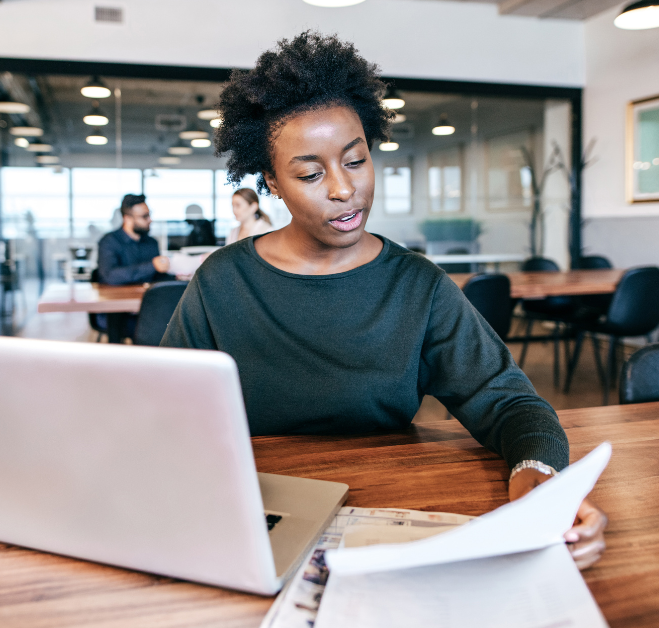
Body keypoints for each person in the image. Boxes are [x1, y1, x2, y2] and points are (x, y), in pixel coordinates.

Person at [161, 32, 606, 569]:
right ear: (272, 183)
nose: (344, 189)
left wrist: (541, 484)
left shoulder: (417, 285)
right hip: (255, 514)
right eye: (309, 173)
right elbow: (168, 415)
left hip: (389, 509)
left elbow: (508, 402)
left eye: (356, 160)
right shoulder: (222, 283)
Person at [95, 194, 172, 341]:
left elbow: (156, 276)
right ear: (128, 218)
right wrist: (152, 266)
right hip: (117, 311)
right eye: (145, 216)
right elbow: (110, 276)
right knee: (117, 315)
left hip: (147, 306)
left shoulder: (151, 243)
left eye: (149, 215)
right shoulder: (109, 242)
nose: (150, 220)